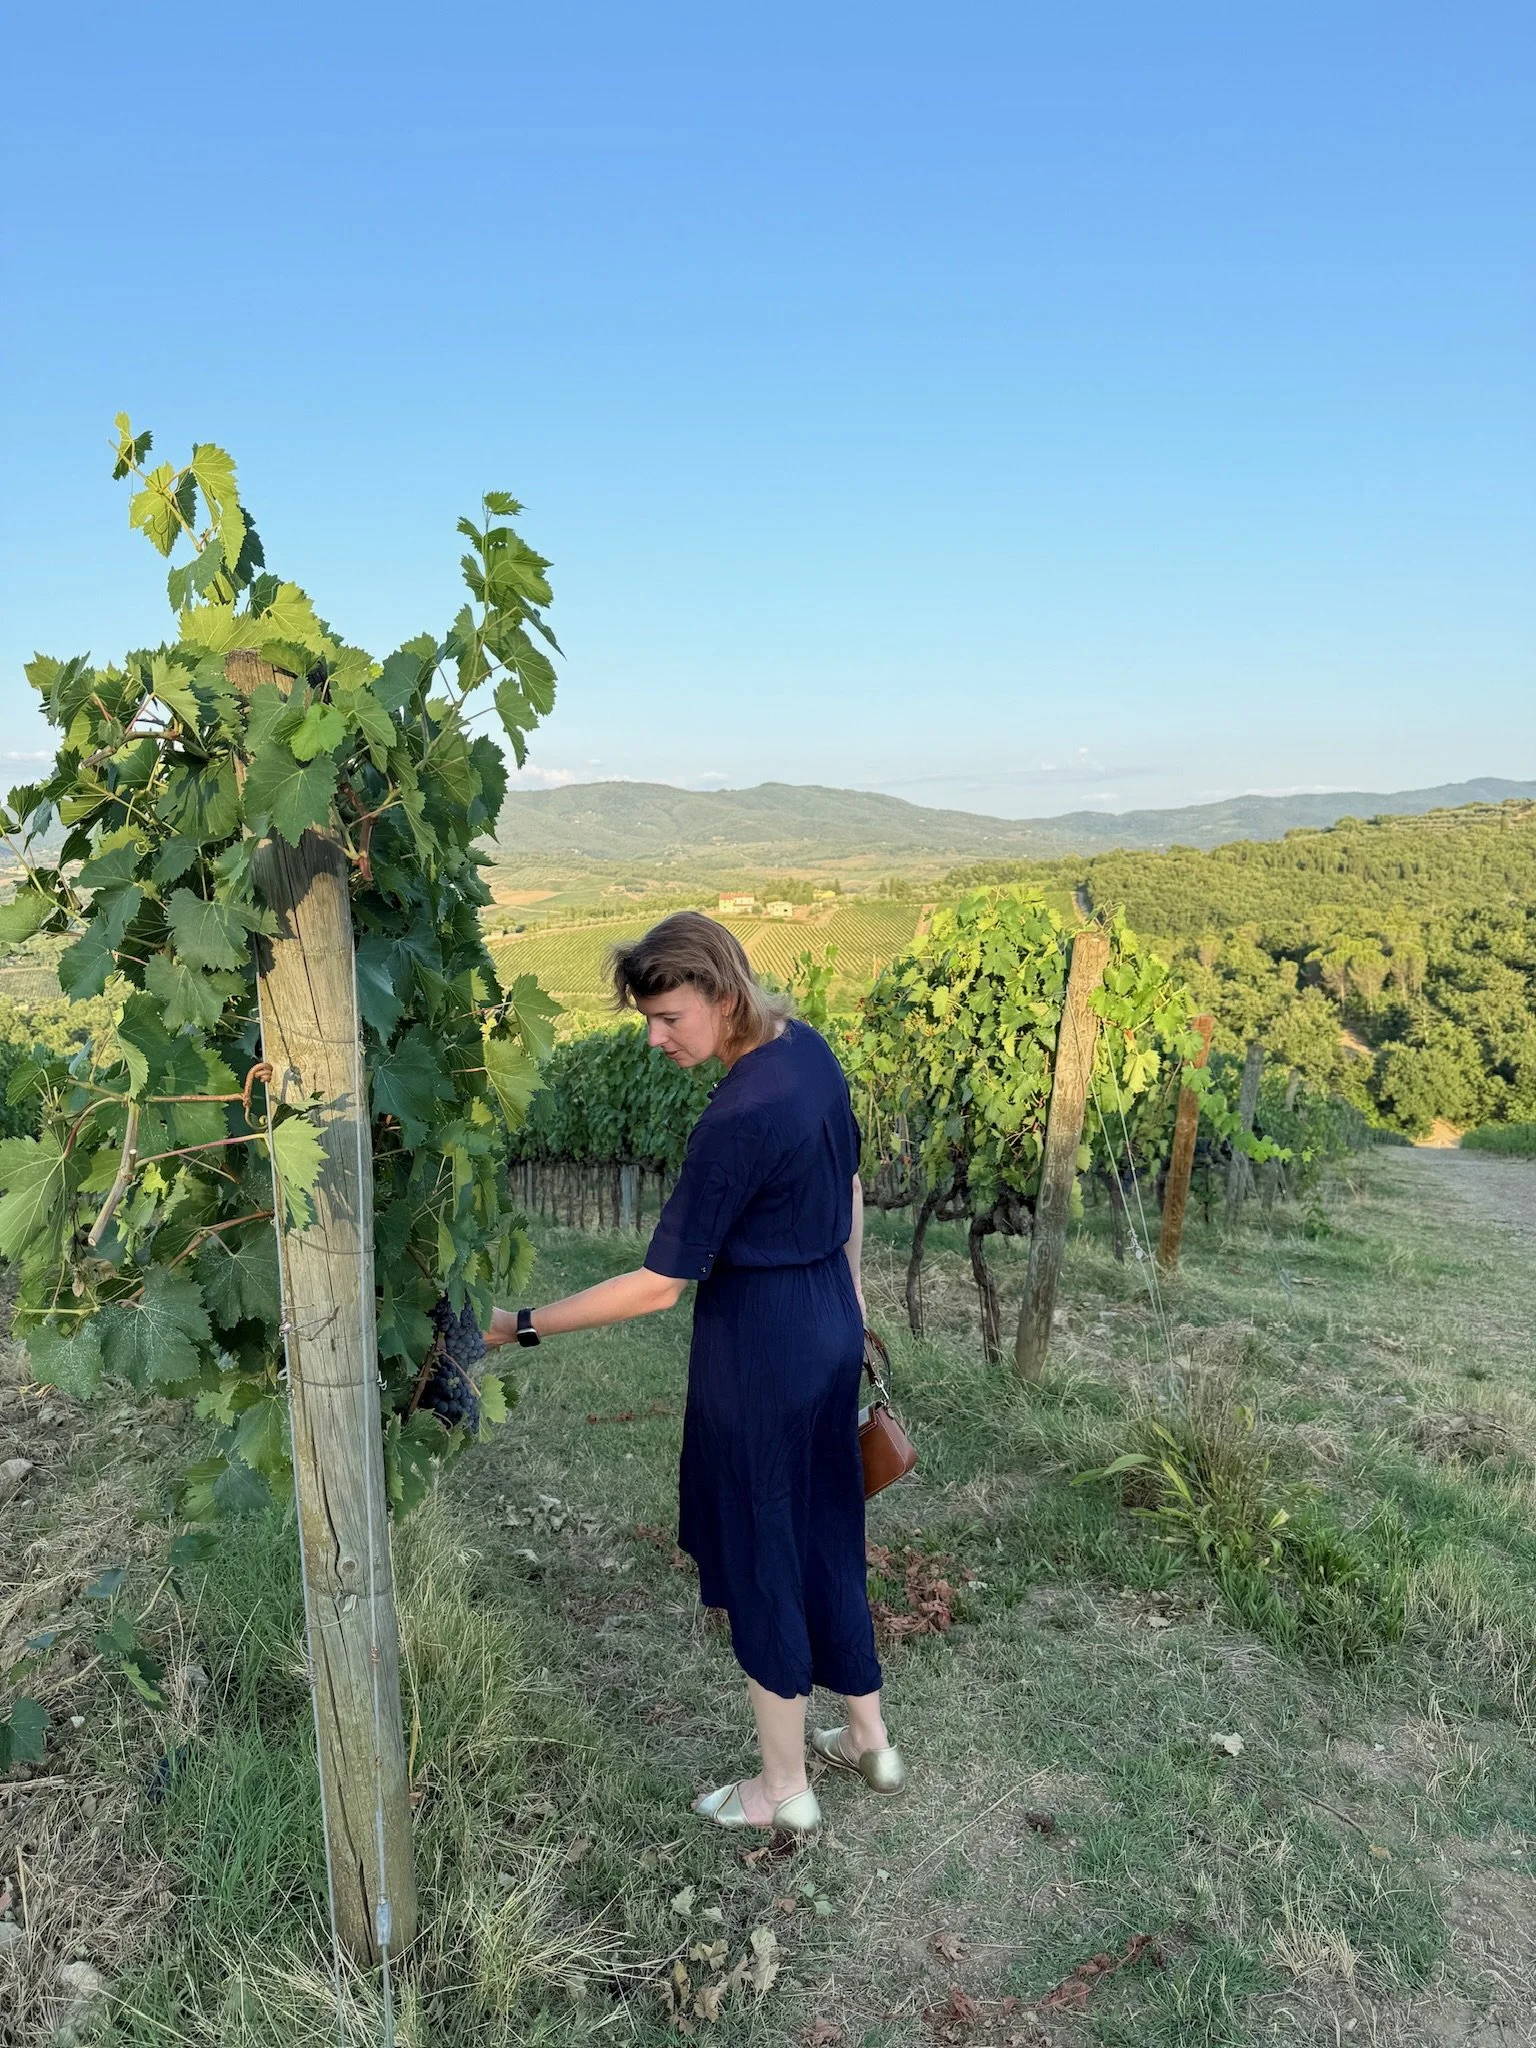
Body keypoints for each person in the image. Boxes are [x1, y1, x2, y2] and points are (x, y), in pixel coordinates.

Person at [484, 911, 905, 1835]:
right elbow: (848, 1188)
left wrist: (519, 1325)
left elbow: (659, 1285)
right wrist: (851, 1297)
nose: (655, 1037)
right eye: (648, 1019)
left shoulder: (738, 1116)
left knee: (762, 1545)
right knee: (827, 1523)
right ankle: (870, 1739)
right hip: (829, 1320)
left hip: (762, 1348)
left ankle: (782, 1787)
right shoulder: (809, 1052)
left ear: (722, 995)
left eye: (669, 1017)